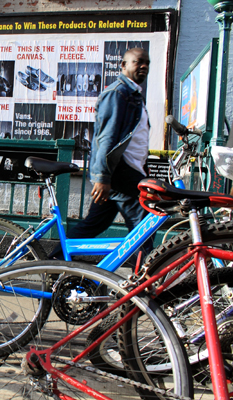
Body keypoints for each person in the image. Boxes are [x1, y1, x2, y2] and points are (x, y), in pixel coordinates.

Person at [51, 48, 151, 259]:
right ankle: (146, 284)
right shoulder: (118, 93)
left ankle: (54, 262)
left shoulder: (133, 95)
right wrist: (103, 178)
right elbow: (106, 137)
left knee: (93, 225)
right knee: (143, 228)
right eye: (137, 62)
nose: (143, 66)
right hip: (121, 173)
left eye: (147, 63)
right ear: (123, 66)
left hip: (126, 172)